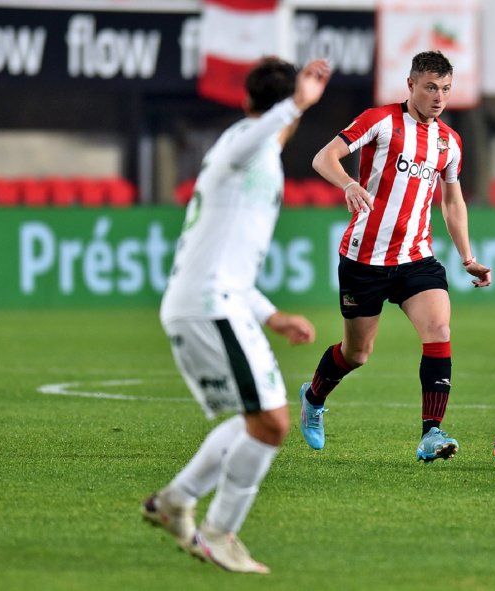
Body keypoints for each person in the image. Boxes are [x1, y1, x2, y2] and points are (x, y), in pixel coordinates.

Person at [141, 57, 331, 574]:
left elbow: (231, 262)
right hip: (208, 305)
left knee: (261, 418)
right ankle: (218, 534)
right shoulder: (244, 143)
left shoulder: (255, 154)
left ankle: (176, 502)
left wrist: (271, 315)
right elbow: (257, 134)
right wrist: (296, 104)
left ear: (246, 99)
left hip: (219, 299)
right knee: (270, 423)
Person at [297, 50, 491, 462]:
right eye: (431, 87)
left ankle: (431, 433)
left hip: (416, 258)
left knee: (438, 329)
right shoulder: (380, 120)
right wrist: (349, 184)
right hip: (364, 260)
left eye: (446, 89)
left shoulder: (449, 142)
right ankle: (313, 398)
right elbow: (323, 157)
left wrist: (467, 256)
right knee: (357, 354)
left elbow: (452, 202)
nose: (439, 97)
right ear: (410, 85)